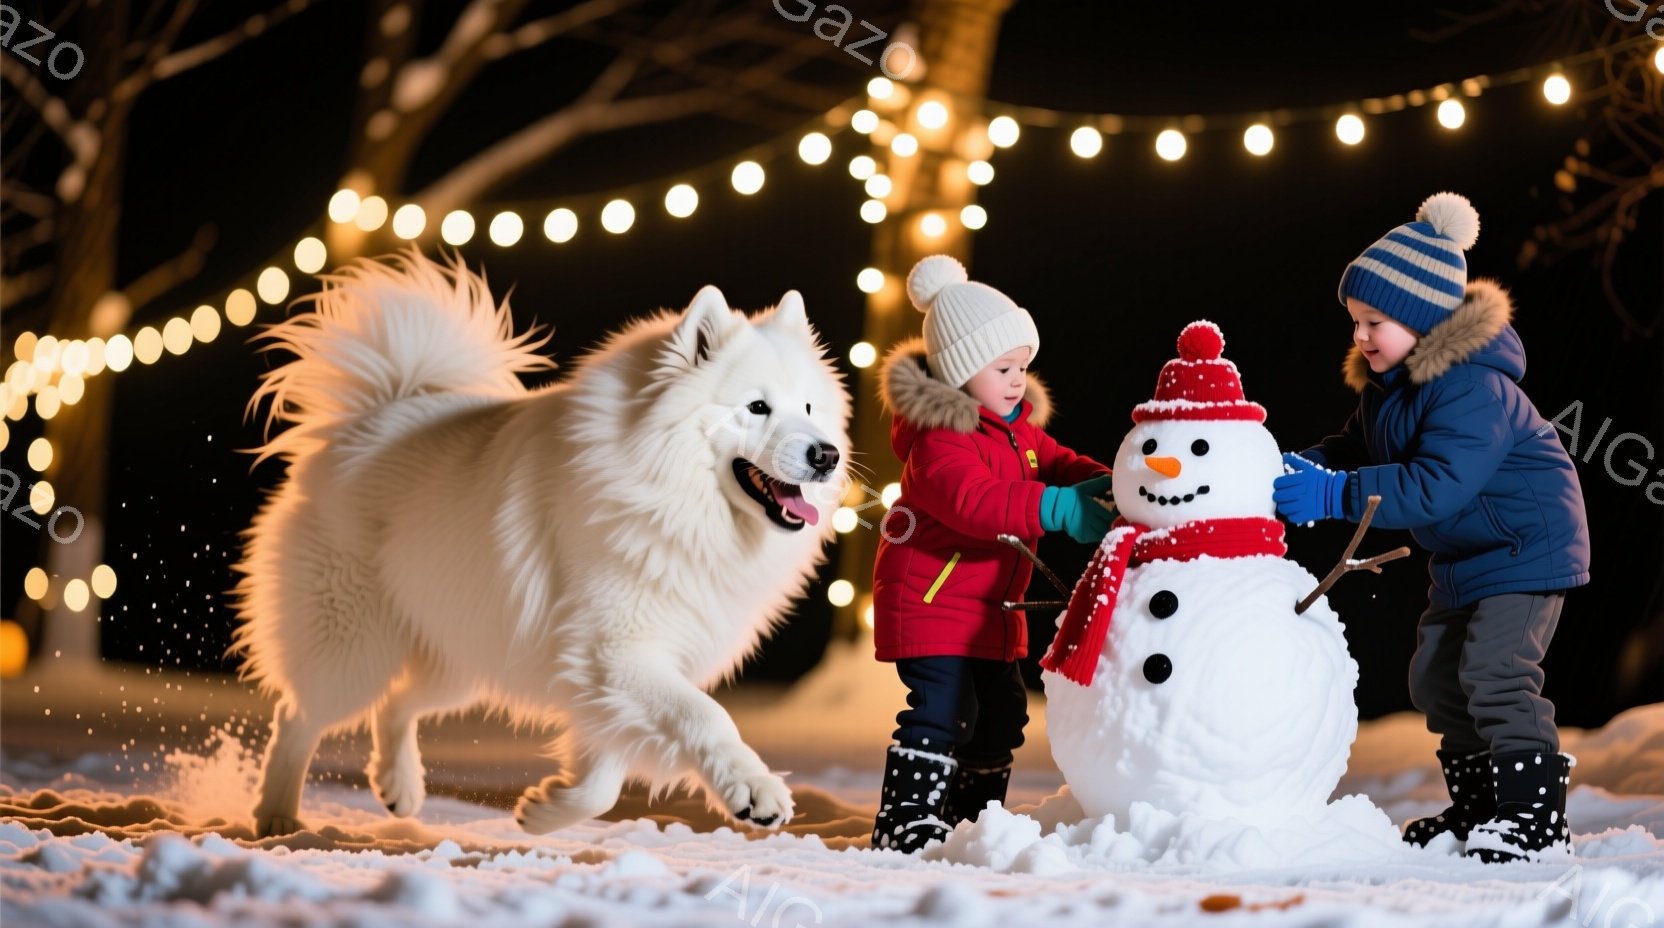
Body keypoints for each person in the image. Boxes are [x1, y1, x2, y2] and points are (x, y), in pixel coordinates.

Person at [1274, 192, 1590, 862]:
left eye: (1375, 321)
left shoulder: (1473, 388)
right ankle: (1479, 807)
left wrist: (1332, 494)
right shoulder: (1388, 392)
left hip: (1525, 546)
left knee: (1496, 670)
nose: (1360, 336)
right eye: (1355, 321)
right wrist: (1307, 464)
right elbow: (1358, 451)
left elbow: (1436, 485)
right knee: (1438, 679)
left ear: (1424, 320)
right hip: (1467, 556)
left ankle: (1534, 817)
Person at [870, 254, 1113, 852]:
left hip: (989, 610)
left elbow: (1060, 462)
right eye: (1003, 366)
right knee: (944, 709)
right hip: (933, 601)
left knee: (1002, 716)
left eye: (1023, 365)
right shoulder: (938, 440)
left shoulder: (1019, 431)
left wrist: (1116, 482)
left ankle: (971, 821)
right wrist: (1059, 508)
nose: (1017, 379)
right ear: (959, 371)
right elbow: (975, 502)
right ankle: (905, 821)